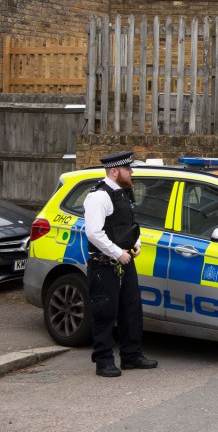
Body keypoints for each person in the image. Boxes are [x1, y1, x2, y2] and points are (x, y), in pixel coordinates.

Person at [83, 151, 158, 377]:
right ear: (114, 171)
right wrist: (117, 253)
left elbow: (129, 225)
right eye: (128, 169)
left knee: (131, 310)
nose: (131, 172)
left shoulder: (124, 193)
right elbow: (94, 233)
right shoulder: (98, 197)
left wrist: (136, 243)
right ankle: (104, 361)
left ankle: (131, 356)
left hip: (125, 261)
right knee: (105, 313)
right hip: (104, 264)